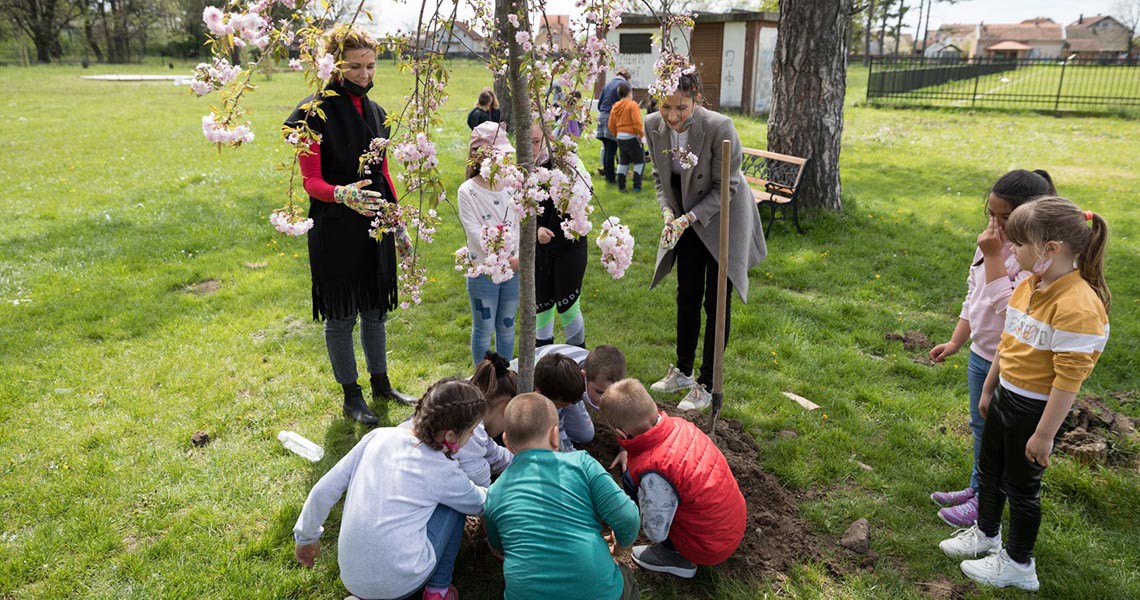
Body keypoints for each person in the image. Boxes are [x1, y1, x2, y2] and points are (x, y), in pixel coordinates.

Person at [939, 197, 1110, 592]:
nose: (1011, 251)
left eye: (1018, 244)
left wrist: (1045, 434)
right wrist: (988, 388)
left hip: (1035, 411)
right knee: (990, 472)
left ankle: (1018, 564)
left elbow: (1069, 381)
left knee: (1022, 489)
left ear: (1050, 249)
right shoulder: (1030, 285)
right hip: (1004, 400)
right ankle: (986, 535)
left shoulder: (1079, 306)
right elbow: (1008, 342)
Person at [284, 25, 415, 425]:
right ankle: (351, 395)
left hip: (374, 224)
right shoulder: (312, 113)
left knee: (376, 310)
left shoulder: (377, 114)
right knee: (342, 316)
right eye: (355, 66)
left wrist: (397, 222)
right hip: (336, 226)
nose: (364, 74)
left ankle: (381, 382)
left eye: (371, 65)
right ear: (335, 64)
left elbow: (385, 173)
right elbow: (311, 181)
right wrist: (342, 194)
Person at [927, 170, 1056, 527]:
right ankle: (978, 487)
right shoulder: (988, 247)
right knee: (980, 427)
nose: (996, 225)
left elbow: (1009, 309)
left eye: (1005, 218)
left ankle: (986, 503)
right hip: (982, 354)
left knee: (998, 439)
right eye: (991, 215)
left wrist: (995, 255)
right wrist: (956, 340)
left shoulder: (1035, 259)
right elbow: (975, 296)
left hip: (1013, 364)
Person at [292, 378, 488, 600]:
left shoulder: (378, 436)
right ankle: (438, 590)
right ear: (451, 436)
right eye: (471, 432)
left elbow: (323, 490)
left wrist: (305, 537)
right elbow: (480, 503)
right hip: (401, 581)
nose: (472, 437)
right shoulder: (441, 468)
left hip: (353, 577)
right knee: (454, 508)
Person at [644, 71, 767, 411]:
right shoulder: (653, 124)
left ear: (695, 96)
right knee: (687, 294)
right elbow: (659, 177)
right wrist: (669, 212)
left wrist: (689, 218)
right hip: (684, 219)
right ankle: (683, 370)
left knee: (716, 302)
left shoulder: (719, 126)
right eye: (666, 107)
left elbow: (725, 187)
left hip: (721, 218)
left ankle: (708, 381)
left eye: (681, 108)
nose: (672, 116)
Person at [483, 393, 641, 600]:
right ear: (555, 436)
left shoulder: (494, 493)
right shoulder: (582, 464)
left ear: (506, 442)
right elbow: (628, 518)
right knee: (624, 577)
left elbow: (497, 547)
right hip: (598, 592)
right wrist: (619, 548)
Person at [599, 378, 746, 579]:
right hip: (729, 523)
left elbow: (655, 532)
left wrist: (628, 526)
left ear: (621, 433)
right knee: (632, 478)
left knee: (633, 482)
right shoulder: (680, 425)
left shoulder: (656, 471)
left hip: (708, 546)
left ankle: (675, 557)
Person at [458, 122, 520, 367]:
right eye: (497, 155)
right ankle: (483, 379)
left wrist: (517, 259)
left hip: (513, 270)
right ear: (480, 156)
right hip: (483, 270)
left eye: (505, 155)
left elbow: (521, 222)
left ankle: (507, 375)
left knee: (506, 325)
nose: (503, 160)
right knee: (483, 328)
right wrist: (499, 256)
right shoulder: (468, 191)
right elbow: (474, 232)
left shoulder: (513, 187)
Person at [531, 122, 591, 347]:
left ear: (549, 138)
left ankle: (578, 358)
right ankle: (541, 358)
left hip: (570, 245)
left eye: (537, 141)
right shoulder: (521, 166)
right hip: (538, 249)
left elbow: (585, 197)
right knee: (542, 307)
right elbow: (517, 209)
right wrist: (536, 230)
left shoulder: (568, 163)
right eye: (527, 142)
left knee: (568, 307)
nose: (532, 148)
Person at [509, 343, 627, 411]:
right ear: (584, 376)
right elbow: (554, 419)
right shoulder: (565, 379)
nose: (605, 398)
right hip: (539, 384)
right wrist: (568, 452)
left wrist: (624, 450)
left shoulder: (599, 369)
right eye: (599, 392)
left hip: (565, 393)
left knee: (585, 434)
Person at [458, 351, 517, 487]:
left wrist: (527, 463)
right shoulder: (472, 432)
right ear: (506, 406)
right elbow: (482, 495)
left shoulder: (477, 426)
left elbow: (495, 455)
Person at [533, 352, 595, 452]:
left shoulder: (559, 386)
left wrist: (570, 452)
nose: (570, 405)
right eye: (563, 404)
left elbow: (559, 424)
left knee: (586, 434)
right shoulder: (519, 394)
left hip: (557, 391)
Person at [607, 83, 646, 193]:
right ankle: (636, 186)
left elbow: (611, 124)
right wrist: (640, 135)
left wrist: (617, 135)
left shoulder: (615, 106)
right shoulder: (632, 105)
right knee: (639, 161)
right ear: (629, 93)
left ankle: (621, 186)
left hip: (620, 137)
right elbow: (637, 122)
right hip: (632, 136)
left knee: (623, 162)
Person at [596, 67, 630, 184]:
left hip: (602, 117)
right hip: (613, 119)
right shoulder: (624, 86)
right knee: (611, 150)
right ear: (626, 77)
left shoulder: (608, 85)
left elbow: (599, 104)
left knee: (607, 149)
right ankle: (611, 179)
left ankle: (608, 176)